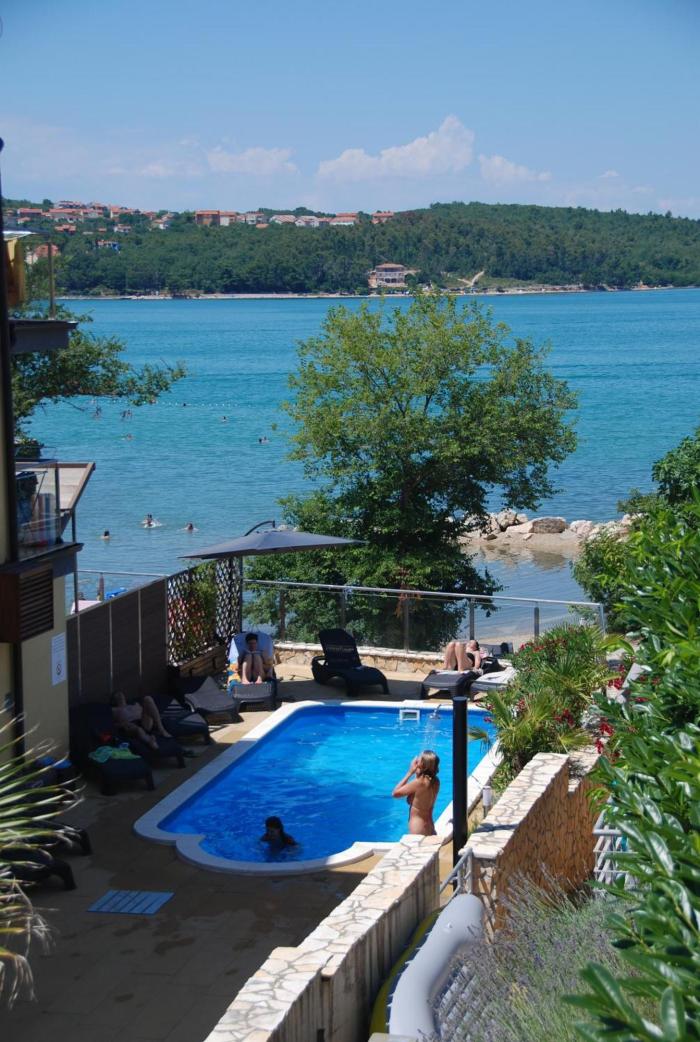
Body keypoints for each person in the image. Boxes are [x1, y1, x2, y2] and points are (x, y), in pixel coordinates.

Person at [392, 750, 440, 836]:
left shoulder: (419, 783)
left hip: (418, 829)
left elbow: (395, 793)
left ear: (422, 764)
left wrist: (410, 772)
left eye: (419, 759)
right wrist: (418, 771)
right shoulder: (435, 782)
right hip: (430, 827)